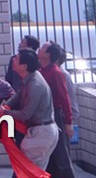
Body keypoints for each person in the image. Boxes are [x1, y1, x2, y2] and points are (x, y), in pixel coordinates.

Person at [0, 48, 58, 171]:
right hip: (41, 132)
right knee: (34, 171)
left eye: (16, 59)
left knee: (27, 171)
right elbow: (19, 94)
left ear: (24, 66)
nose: (13, 60)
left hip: (40, 133)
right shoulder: (31, 77)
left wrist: (4, 112)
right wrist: (7, 105)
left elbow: (25, 114)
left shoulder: (35, 85)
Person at [39, 42, 76, 178]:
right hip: (46, 116)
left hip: (57, 116)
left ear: (48, 54)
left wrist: (68, 122)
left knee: (61, 155)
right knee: (50, 155)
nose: (39, 49)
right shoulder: (41, 71)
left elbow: (64, 98)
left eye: (43, 48)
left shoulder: (56, 73)